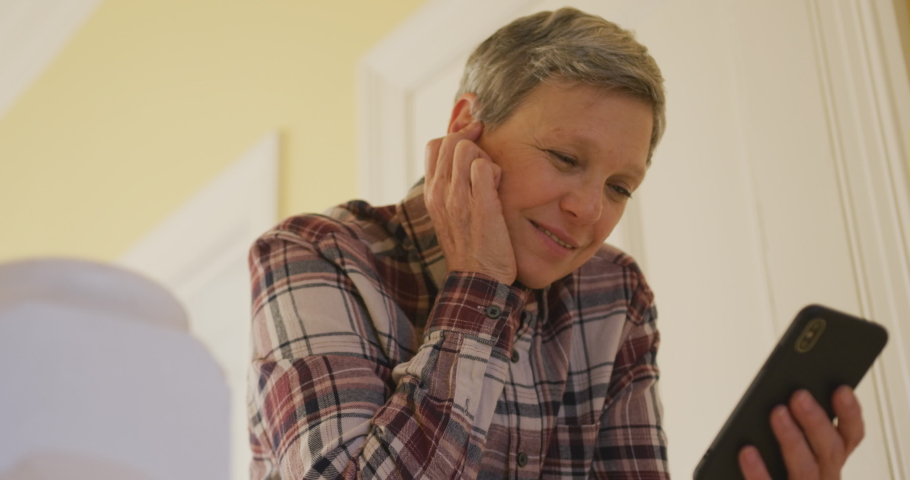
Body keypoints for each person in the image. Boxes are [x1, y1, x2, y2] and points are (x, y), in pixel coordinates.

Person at [247, 7, 865, 479]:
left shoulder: (613, 293)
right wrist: (480, 286)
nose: (589, 210)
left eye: (621, 186)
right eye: (566, 157)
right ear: (466, 126)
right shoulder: (315, 254)